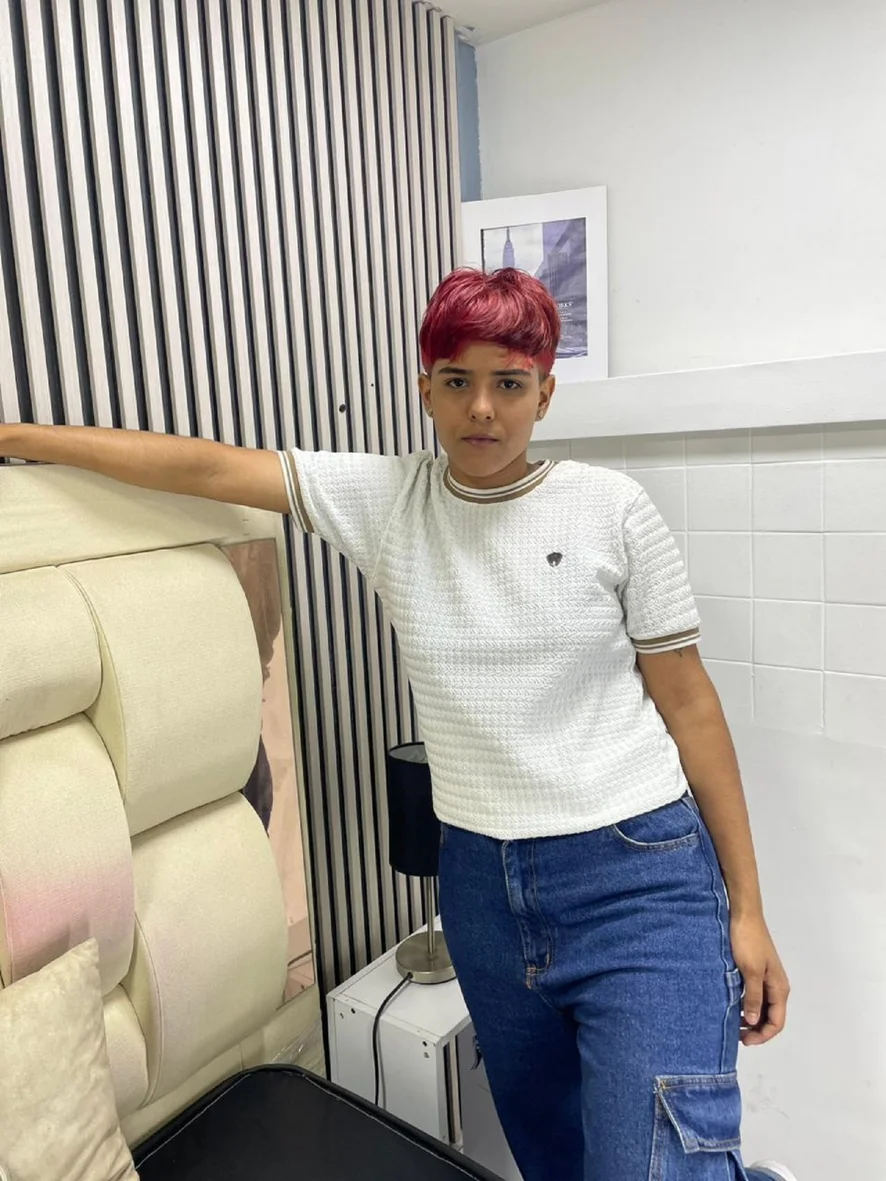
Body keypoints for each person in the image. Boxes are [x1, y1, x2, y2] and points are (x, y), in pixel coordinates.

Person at [0, 268, 794, 1181]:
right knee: (555, 1158)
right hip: (483, 892)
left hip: (638, 878)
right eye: (457, 380)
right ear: (425, 389)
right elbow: (209, 466)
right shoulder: (390, 500)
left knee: (656, 1166)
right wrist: (17, 437)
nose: (482, 408)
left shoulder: (612, 509)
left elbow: (690, 705)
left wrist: (747, 910)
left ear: (544, 392)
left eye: (509, 382)